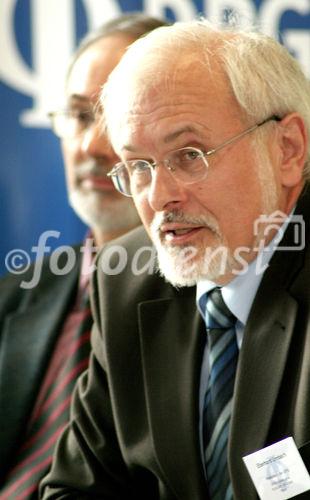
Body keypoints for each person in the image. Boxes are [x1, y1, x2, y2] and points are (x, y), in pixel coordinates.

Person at [41, 19, 310, 500]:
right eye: (138, 166)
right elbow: (74, 488)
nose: (159, 197)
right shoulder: (125, 280)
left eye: (189, 155)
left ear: (287, 149)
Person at [0, 13, 167, 499]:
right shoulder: (15, 293)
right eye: (78, 114)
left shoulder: (219, 304)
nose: (92, 145)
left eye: (120, 116)